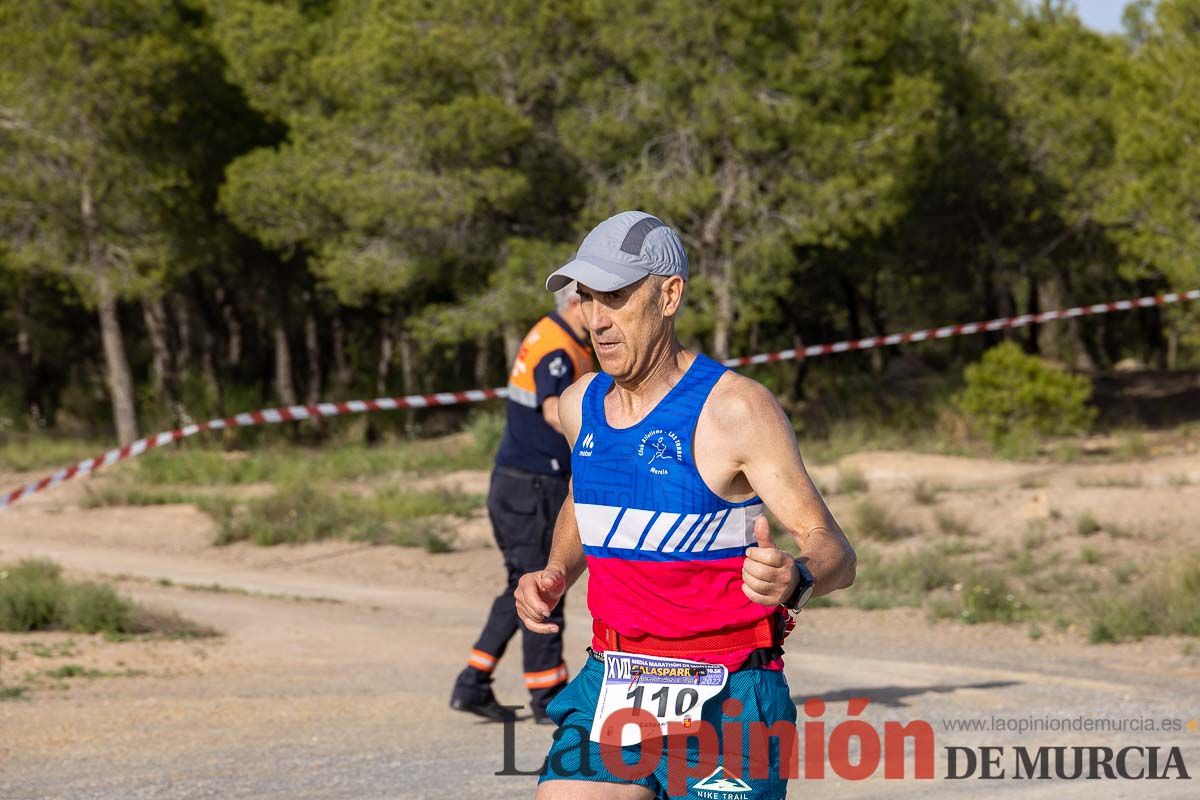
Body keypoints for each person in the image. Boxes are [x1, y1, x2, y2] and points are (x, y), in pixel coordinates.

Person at [514, 211, 857, 798]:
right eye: (588, 298)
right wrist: (556, 570)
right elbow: (584, 495)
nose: (597, 320)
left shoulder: (738, 410)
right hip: (613, 682)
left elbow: (837, 552)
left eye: (616, 297)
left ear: (668, 295)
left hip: (729, 698)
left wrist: (796, 579)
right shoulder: (579, 405)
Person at [450, 282, 593, 723]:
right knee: (545, 583)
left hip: (522, 482)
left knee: (525, 586)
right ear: (574, 304)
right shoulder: (556, 346)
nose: (601, 313)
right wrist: (597, 436)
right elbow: (554, 410)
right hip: (530, 485)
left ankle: (473, 681)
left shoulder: (560, 337)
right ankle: (548, 694)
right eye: (594, 301)